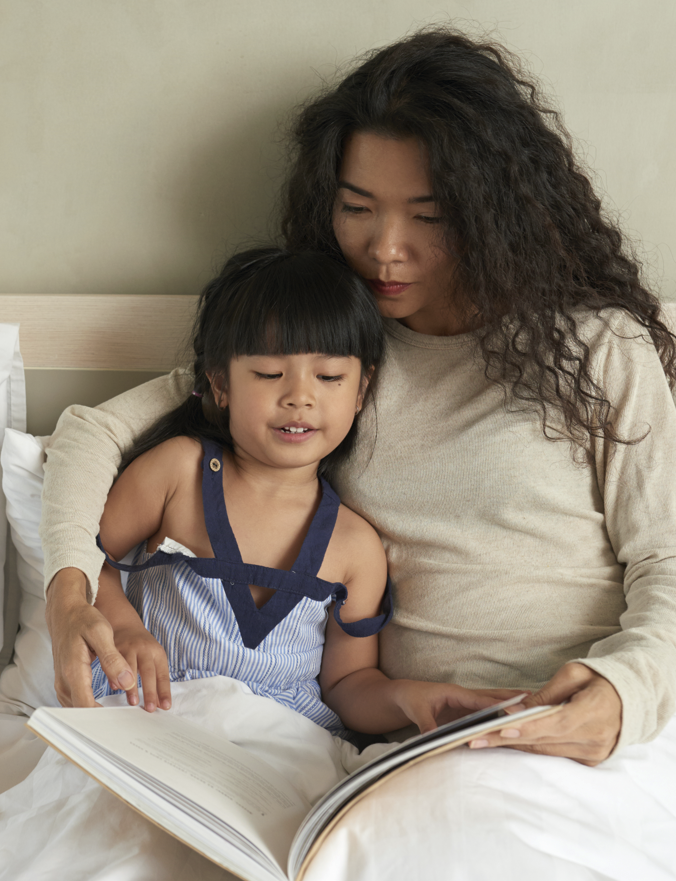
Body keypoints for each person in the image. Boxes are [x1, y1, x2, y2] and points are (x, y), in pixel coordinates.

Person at [41, 27, 676, 767]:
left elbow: (675, 558)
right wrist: (70, 595)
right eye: (357, 207)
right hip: (405, 740)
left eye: (428, 216)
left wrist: (624, 690)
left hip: (573, 722)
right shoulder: (326, 353)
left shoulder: (595, 348)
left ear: (494, 216)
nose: (384, 247)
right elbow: (90, 433)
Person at [86, 246, 516, 736]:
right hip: (153, 718)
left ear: (361, 391)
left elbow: (349, 683)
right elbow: (83, 559)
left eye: (330, 376)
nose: (300, 396)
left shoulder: (354, 547)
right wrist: (124, 628)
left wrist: (411, 699)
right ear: (220, 383)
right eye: (270, 374)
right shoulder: (177, 472)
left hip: (279, 748)